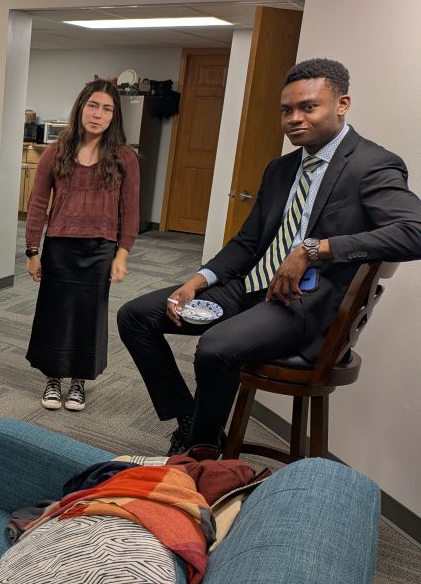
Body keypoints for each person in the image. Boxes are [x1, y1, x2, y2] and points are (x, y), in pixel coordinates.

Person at [117, 58, 421, 456]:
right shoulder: (280, 169)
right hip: (249, 289)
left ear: (342, 104)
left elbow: (414, 232)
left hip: (303, 304)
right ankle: (189, 416)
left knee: (215, 346)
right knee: (136, 316)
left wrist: (313, 250)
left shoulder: (371, 164)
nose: (294, 118)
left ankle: (202, 449)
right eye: (286, 110)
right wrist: (198, 281)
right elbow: (246, 243)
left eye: (308, 107)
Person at [24, 79, 140, 412]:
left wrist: (122, 254)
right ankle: (53, 378)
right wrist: (33, 250)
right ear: (81, 107)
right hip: (59, 247)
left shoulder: (124, 158)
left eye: (106, 109)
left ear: (113, 116)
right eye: (93, 106)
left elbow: (129, 210)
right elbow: (36, 203)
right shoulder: (56, 151)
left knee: (89, 316)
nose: (98, 114)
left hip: (100, 250)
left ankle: (78, 381)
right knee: (55, 314)